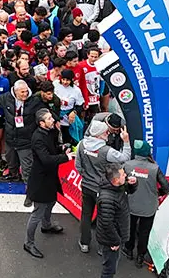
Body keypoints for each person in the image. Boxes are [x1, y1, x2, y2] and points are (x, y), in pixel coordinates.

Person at [76, 114, 131, 254]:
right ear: (100, 135)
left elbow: (78, 166)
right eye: (105, 132)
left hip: (86, 186)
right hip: (102, 189)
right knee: (104, 218)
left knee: (86, 215)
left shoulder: (82, 144)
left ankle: (84, 243)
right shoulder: (107, 151)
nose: (108, 134)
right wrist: (126, 142)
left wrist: (86, 176)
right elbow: (125, 158)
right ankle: (102, 247)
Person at [23, 109, 71, 259]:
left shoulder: (50, 132)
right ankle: (28, 243)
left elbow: (52, 149)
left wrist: (61, 149)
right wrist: (65, 157)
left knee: (51, 201)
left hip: (49, 177)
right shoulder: (38, 138)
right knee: (37, 212)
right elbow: (46, 159)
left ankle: (47, 225)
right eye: (49, 119)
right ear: (41, 123)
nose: (53, 120)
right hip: (40, 180)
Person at [124, 140, 169, 268]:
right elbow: (167, 187)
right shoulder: (154, 168)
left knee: (130, 228)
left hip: (131, 204)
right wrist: (157, 193)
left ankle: (128, 250)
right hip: (149, 207)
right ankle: (140, 256)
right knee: (144, 232)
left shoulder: (127, 165)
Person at [95, 165, 132, 278]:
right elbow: (106, 223)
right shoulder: (107, 198)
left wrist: (132, 185)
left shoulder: (116, 188)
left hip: (115, 237)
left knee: (111, 268)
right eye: (123, 175)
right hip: (111, 241)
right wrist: (115, 241)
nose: (126, 176)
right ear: (116, 180)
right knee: (109, 270)